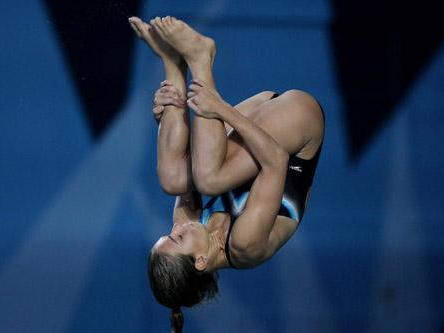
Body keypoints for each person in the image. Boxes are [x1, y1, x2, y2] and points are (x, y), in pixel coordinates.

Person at [129, 16, 325, 332]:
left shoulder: (190, 226)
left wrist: (164, 114)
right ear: (201, 262)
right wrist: (219, 109)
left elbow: (185, 155)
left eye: (168, 234)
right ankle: (200, 58)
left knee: (174, 179)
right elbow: (275, 159)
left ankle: (173, 61)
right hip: (298, 127)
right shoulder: (244, 245)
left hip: (255, 125)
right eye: (177, 239)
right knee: (207, 178)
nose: (177, 228)